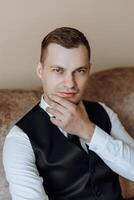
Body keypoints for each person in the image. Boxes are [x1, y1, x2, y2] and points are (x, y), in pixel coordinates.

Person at [3, 27, 134, 200]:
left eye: (80, 71)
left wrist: (88, 131)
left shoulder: (103, 112)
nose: (70, 83)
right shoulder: (20, 139)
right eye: (58, 70)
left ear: (89, 70)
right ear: (40, 70)